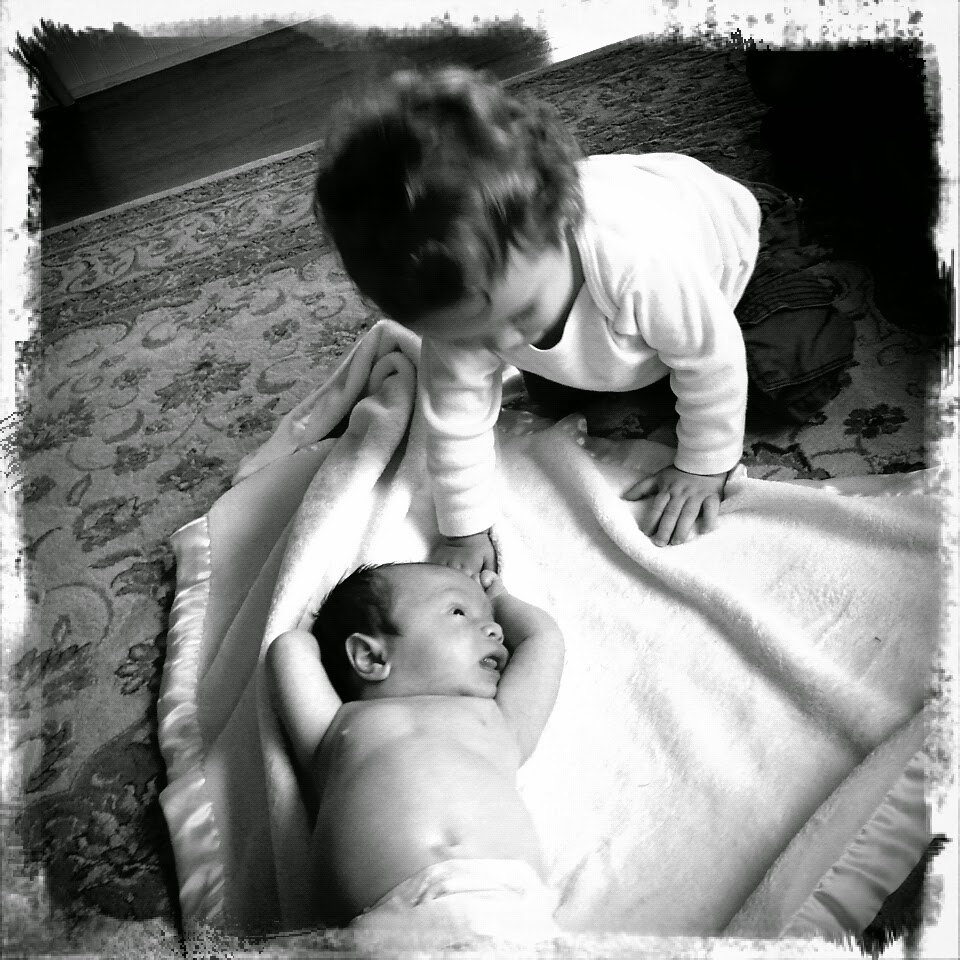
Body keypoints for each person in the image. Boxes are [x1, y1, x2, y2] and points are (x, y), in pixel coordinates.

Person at [313, 67, 850, 576]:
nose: (503, 343)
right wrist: (465, 531)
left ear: (561, 222)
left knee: (787, 373)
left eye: (521, 313)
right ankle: (643, 361)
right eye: (472, 334)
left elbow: (712, 355)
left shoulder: (636, 257)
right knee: (562, 400)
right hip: (628, 322)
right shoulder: (469, 308)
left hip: (734, 260)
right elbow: (455, 420)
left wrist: (704, 466)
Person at [266, 562, 565, 945]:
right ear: (370, 658)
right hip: (384, 929)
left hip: (510, 917)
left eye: (492, 621)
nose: (496, 630)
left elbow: (542, 640)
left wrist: (500, 599)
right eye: (459, 611)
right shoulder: (333, 726)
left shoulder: (501, 718)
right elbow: (289, 649)